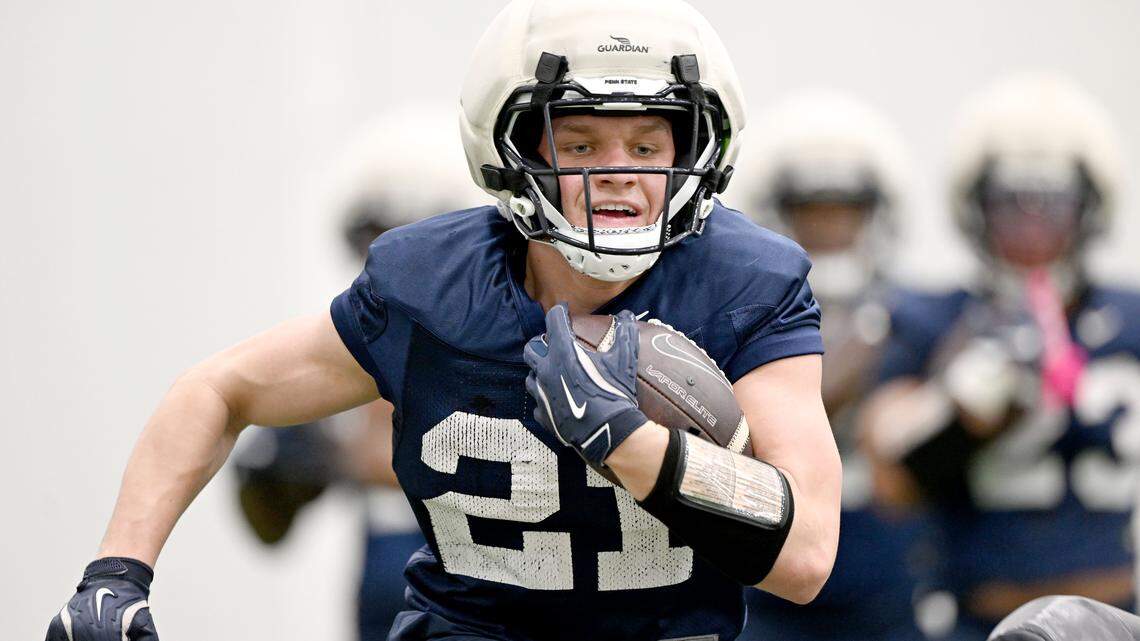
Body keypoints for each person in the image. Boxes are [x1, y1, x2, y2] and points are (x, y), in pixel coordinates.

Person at [45, 1, 841, 639]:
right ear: (517, 152)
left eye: (644, 146)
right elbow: (219, 388)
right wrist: (117, 572)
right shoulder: (432, 286)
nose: (617, 175)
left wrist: (626, 441)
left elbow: (806, 556)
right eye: (580, 145)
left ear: (692, 153)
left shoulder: (746, 284)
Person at [859, 72, 1139, 641]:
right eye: (1009, 206)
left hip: (1117, 612)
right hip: (979, 618)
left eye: (1053, 207)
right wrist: (954, 408)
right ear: (977, 211)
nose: (1031, 229)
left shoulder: (1129, 318)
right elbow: (887, 482)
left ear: (1088, 210)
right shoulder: (938, 319)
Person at [228, 109, 488, 641]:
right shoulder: (353, 353)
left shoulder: (516, 352)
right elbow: (267, 516)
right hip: (386, 597)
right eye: (381, 243)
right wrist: (299, 456)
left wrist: (354, 457)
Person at [732, 90, 932, 641]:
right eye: (813, 212)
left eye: (846, 211)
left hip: (886, 572)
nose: (830, 228)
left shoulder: (916, 319)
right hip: (768, 570)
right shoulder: (740, 316)